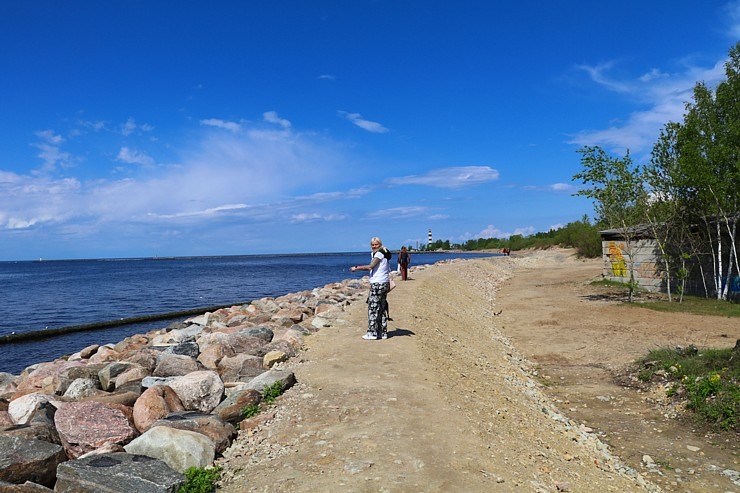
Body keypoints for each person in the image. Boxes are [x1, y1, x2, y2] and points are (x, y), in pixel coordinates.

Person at [350, 236, 391, 340]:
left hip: (378, 283)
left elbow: (370, 266)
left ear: (380, 244)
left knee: (373, 308)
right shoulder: (383, 253)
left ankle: (372, 333)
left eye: (376, 244)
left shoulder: (379, 254)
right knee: (381, 308)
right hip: (384, 283)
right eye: (372, 245)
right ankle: (382, 332)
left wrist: (357, 268)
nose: (374, 246)